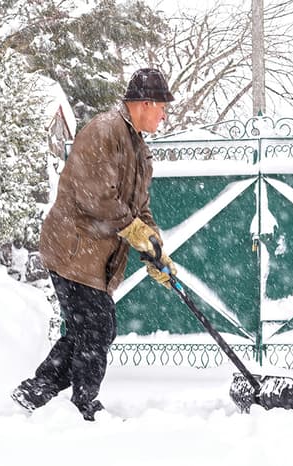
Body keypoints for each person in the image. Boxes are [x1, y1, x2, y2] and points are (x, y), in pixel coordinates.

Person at [11, 68, 177, 421]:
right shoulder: (104, 132)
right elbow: (95, 196)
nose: (164, 115)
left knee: (88, 328)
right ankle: (85, 406)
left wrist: (155, 247)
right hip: (72, 248)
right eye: (162, 107)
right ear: (145, 103)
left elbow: (139, 207)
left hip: (92, 254)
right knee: (97, 327)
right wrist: (133, 231)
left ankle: (35, 391)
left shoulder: (138, 149)